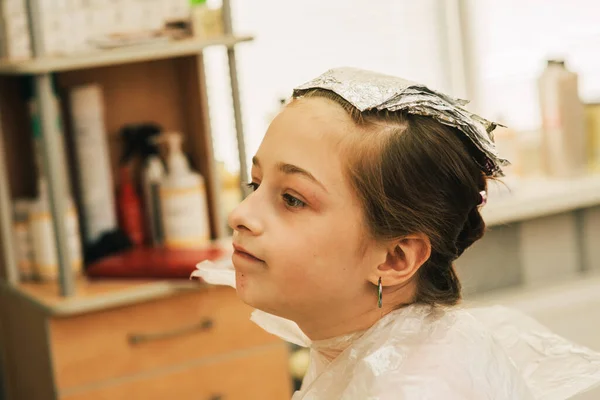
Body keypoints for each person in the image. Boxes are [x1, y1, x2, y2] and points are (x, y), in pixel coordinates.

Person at [193, 68, 600, 399]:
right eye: (255, 184)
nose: (240, 214)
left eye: (293, 200)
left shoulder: (415, 388)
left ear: (394, 259)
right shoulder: (361, 352)